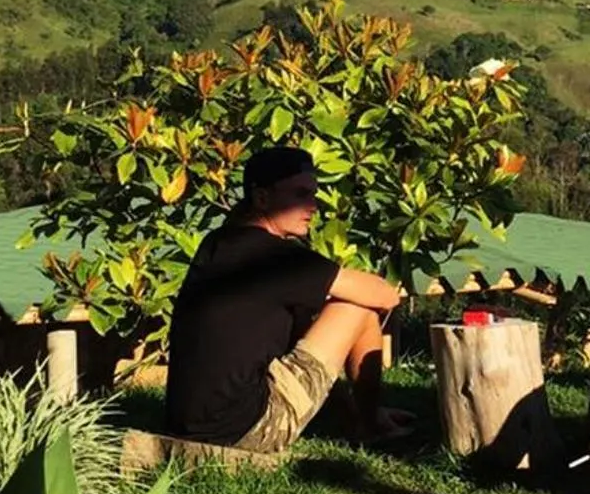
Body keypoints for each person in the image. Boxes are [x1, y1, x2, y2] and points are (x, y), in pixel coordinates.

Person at [165, 146, 411, 453]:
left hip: (189, 425)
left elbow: (305, 353)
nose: (313, 207)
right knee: (356, 307)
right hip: (246, 431)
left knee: (327, 314)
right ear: (263, 198)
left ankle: (360, 420)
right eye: (300, 195)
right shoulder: (279, 258)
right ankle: (371, 423)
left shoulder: (218, 243)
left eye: (313, 195)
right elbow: (384, 295)